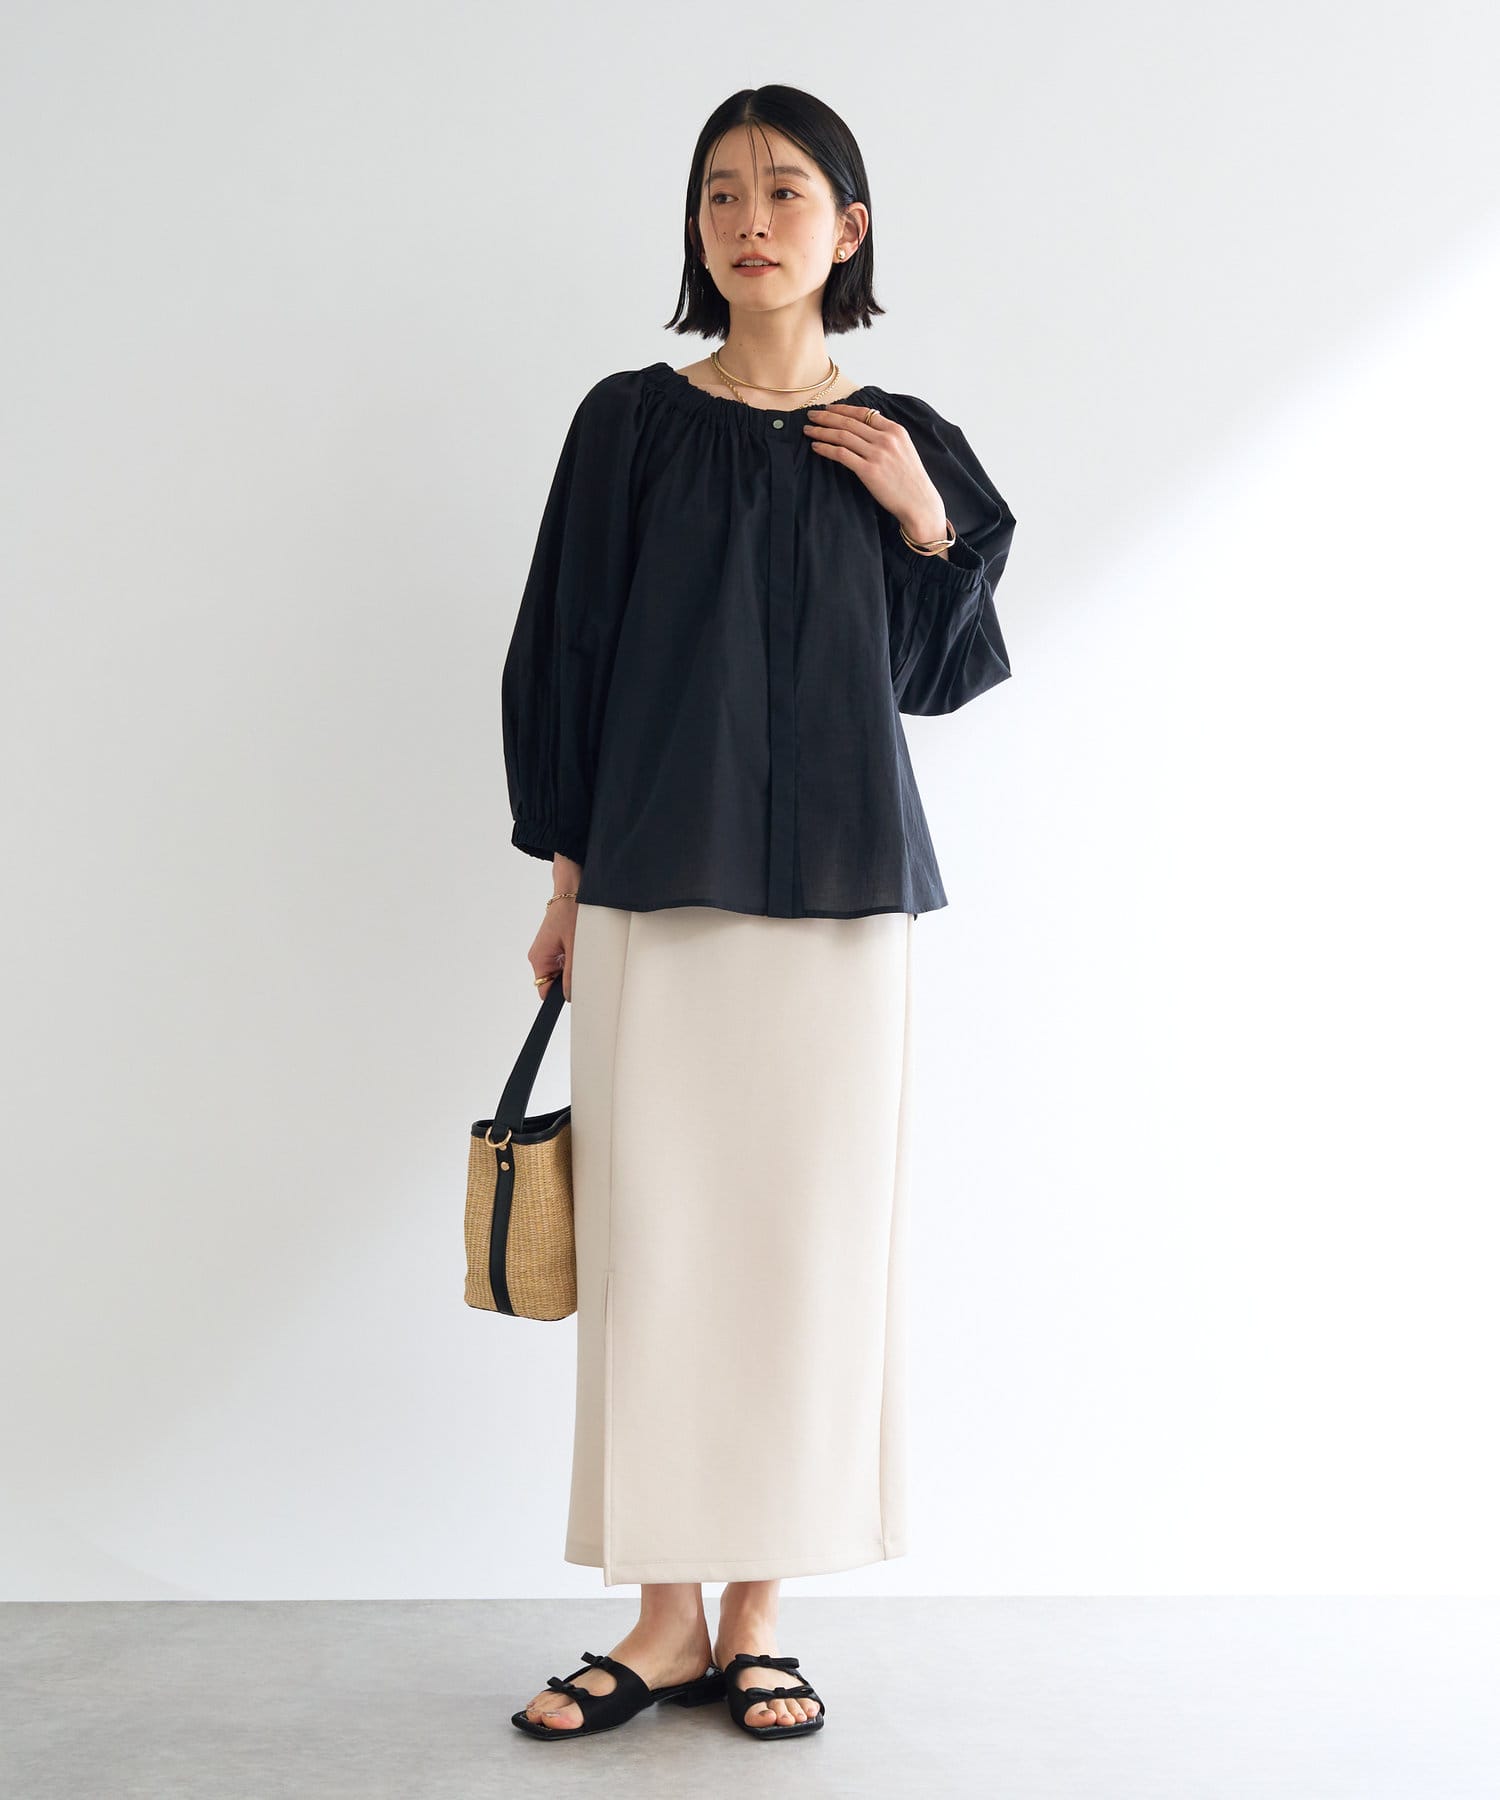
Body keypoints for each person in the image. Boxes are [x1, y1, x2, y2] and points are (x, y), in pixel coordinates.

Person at [501, 85, 1017, 1743]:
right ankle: (663, 1621)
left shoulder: (908, 438)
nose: (749, 219)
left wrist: (923, 520)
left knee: (811, 1249)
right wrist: (564, 874)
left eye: (786, 191)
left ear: (849, 228)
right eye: (720, 192)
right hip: (655, 882)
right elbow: (563, 649)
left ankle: (762, 1617)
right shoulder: (631, 424)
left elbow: (937, 677)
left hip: (849, 902)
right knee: (659, 1247)